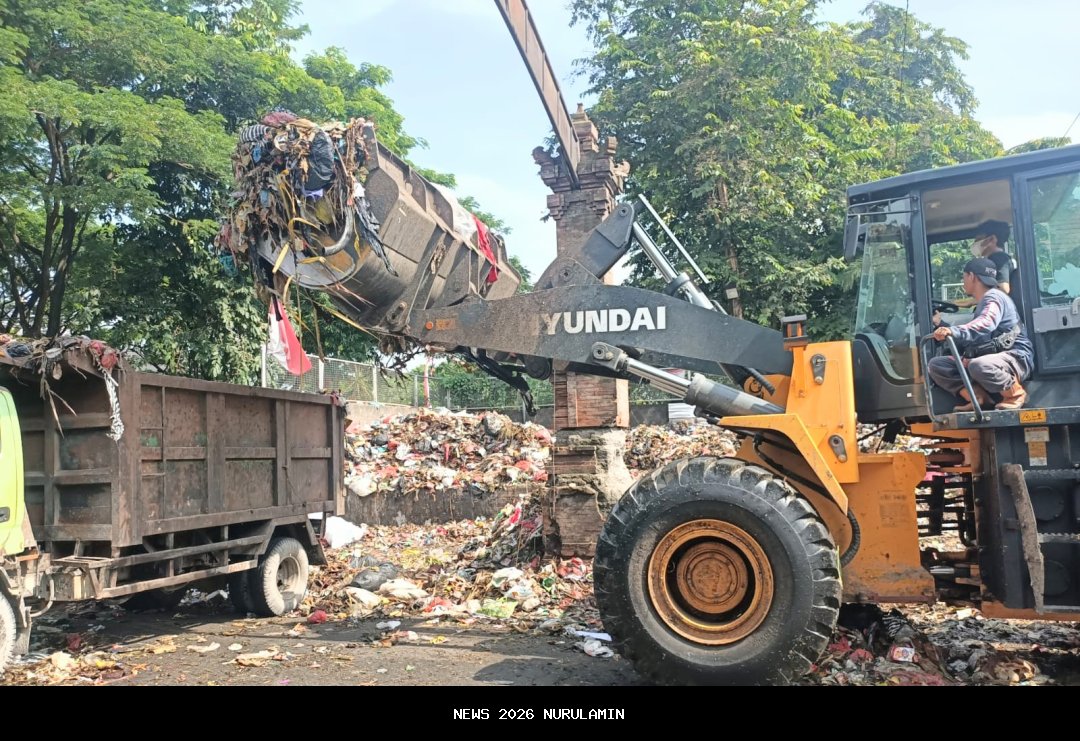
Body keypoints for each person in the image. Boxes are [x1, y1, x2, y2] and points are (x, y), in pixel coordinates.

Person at [929, 257, 1033, 411]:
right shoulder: (984, 302)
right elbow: (974, 339)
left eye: (964, 276)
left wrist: (953, 330)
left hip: (1016, 357)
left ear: (971, 276)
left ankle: (1015, 395)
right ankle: (978, 397)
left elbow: (986, 323)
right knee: (938, 365)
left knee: (979, 365)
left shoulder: (994, 298)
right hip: (993, 358)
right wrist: (942, 326)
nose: (963, 281)